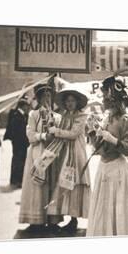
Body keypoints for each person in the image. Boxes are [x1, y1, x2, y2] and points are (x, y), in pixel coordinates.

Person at [86, 76, 128, 237]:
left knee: (119, 210)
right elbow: (100, 150)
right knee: (103, 210)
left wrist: (112, 139)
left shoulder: (127, 120)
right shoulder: (106, 119)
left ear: (113, 98)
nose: (103, 99)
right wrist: (93, 132)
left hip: (118, 170)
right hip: (104, 168)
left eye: (105, 95)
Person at [46, 87, 91, 234]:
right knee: (63, 183)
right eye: (67, 101)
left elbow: (73, 134)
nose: (70, 103)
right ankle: (57, 219)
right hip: (64, 152)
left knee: (75, 184)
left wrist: (56, 131)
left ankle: (73, 220)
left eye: (72, 101)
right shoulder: (63, 116)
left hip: (76, 153)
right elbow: (59, 131)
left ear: (77, 102)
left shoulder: (81, 116)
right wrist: (52, 126)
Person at [19, 83, 62, 233]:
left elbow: (60, 134)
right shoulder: (33, 115)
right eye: (44, 96)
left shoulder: (57, 116)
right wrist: (44, 136)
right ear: (38, 98)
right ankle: (36, 220)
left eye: (49, 96)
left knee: (52, 184)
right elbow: (30, 135)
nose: (47, 99)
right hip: (38, 151)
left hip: (52, 153)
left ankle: (52, 220)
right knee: (38, 184)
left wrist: (56, 135)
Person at [4, 98, 30, 188]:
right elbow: (16, 131)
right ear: (22, 106)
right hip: (19, 142)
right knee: (18, 160)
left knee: (20, 160)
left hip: (21, 142)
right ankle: (16, 180)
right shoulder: (17, 116)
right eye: (26, 106)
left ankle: (18, 179)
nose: (27, 108)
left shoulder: (23, 115)